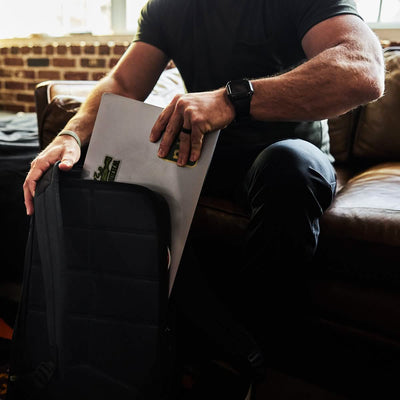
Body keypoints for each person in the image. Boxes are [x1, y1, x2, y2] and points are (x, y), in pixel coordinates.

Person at [23, 0, 384, 398]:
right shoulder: (167, 7)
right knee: (104, 173)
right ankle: (169, 349)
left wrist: (232, 100)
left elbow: (363, 69)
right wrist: (69, 137)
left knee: (288, 166)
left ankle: (257, 364)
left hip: (288, 153)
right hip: (205, 155)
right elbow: (123, 86)